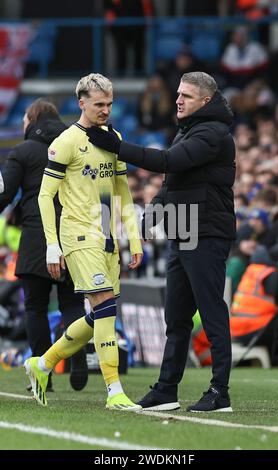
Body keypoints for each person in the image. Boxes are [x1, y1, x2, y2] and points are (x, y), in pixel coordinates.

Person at [86, 71, 236, 412]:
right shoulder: (190, 131)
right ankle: (167, 390)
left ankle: (220, 392)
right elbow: (173, 183)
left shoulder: (213, 133)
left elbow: (169, 163)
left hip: (205, 232)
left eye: (187, 95)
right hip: (183, 232)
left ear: (206, 101)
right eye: (179, 93)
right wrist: (150, 217)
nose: (179, 99)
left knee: (212, 312)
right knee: (176, 317)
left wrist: (118, 148)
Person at [24, 73, 143, 410]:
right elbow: (45, 196)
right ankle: (114, 391)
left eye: (109, 104)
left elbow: (122, 191)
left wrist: (133, 238)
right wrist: (51, 244)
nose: (105, 110)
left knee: (101, 315)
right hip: (77, 235)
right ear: (82, 103)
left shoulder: (114, 138)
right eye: (98, 104)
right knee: (105, 307)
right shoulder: (65, 142)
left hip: (107, 238)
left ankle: (42, 363)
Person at [0, 98, 88, 392]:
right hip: (74, 232)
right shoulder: (76, 146)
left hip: (38, 235)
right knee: (73, 303)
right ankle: (77, 357)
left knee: (35, 307)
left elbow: (4, 194)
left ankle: (43, 372)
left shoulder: (23, 151)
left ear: (32, 120)